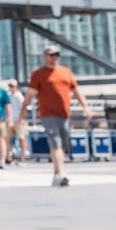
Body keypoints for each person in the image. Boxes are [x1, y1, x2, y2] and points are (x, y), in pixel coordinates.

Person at [24, 46, 87, 187]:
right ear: (45, 56)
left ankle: (57, 172)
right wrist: (24, 110)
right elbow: (30, 94)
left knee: (62, 144)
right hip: (48, 114)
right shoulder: (38, 74)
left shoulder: (65, 72)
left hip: (64, 114)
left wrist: (85, 107)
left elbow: (76, 90)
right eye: (51, 55)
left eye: (56, 55)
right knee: (56, 142)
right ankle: (61, 173)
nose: (54, 58)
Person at [5, 77, 27, 162]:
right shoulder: (7, 95)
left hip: (19, 120)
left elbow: (23, 108)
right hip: (10, 120)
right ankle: (9, 156)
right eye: (10, 86)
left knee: (22, 138)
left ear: (16, 86)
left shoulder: (19, 96)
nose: (11, 87)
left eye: (13, 86)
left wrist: (22, 118)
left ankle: (23, 157)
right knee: (7, 139)